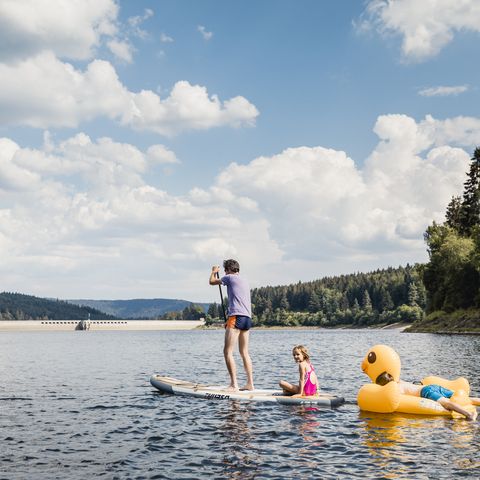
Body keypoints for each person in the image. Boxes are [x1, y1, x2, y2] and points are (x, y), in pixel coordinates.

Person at [209, 259, 254, 392]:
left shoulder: (229, 277)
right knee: (244, 352)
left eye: (224, 270)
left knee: (227, 352)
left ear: (228, 269)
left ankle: (234, 385)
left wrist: (213, 272)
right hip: (247, 318)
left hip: (236, 317)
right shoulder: (244, 280)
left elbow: (211, 282)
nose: (224, 272)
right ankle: (250, 383)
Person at [376, 372, 479, 421]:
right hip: (433, 386)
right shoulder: (399, 381)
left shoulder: (395, 388)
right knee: (467, 400)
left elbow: (391, 398)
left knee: (446, 404)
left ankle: (469, 414)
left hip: (426, 391)